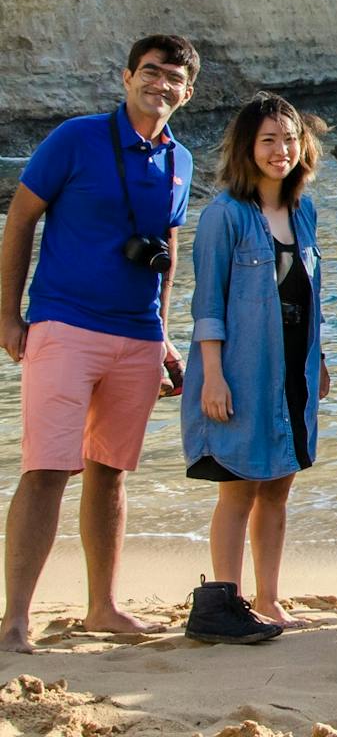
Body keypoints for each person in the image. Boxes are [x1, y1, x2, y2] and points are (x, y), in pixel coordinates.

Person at [1, 35, 199, 653]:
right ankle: (14, 621)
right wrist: (7, 315)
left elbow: (166, 255)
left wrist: (164, 336)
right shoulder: (74, 138)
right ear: (126, 77)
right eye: (149, 72)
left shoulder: (181, 161)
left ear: (186, 93)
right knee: (46, 469)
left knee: (110, 472)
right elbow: (20, 220)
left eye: (172, 78)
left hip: (138, 336)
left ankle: (102, 607)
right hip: (64, 324)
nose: (159, 85)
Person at [181, 93, 329, 644]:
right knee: (238, 487)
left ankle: (268, 598)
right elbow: (208, 305)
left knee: (278, 488)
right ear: (246, 147)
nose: (281, 150)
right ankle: (224, 601)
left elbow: (313, 298)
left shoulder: (304, 211)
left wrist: (319, 361)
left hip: (293, 367)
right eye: (268, 140)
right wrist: (212, 374)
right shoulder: (225, 214)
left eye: (289, 139)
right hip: (242, 369)